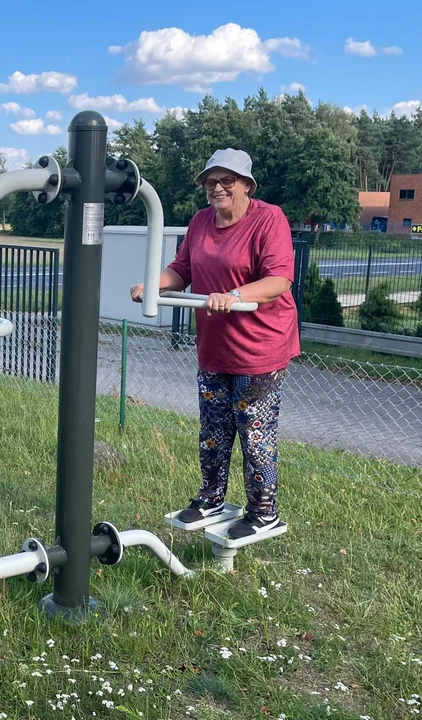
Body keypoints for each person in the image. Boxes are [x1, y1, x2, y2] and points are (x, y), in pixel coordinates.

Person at [130, 148, 299, 539]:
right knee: (212, 431)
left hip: (260, 348)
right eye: (211, 181)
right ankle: (211, 498)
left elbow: (279, 280)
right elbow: (182, 270)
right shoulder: (201, 221)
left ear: (245, 185)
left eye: (227, 180)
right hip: (215, 345)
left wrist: (235, 295)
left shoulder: (268, 219)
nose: (218, 188)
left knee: (254, 433)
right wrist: (152, 285)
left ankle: (263, 510)